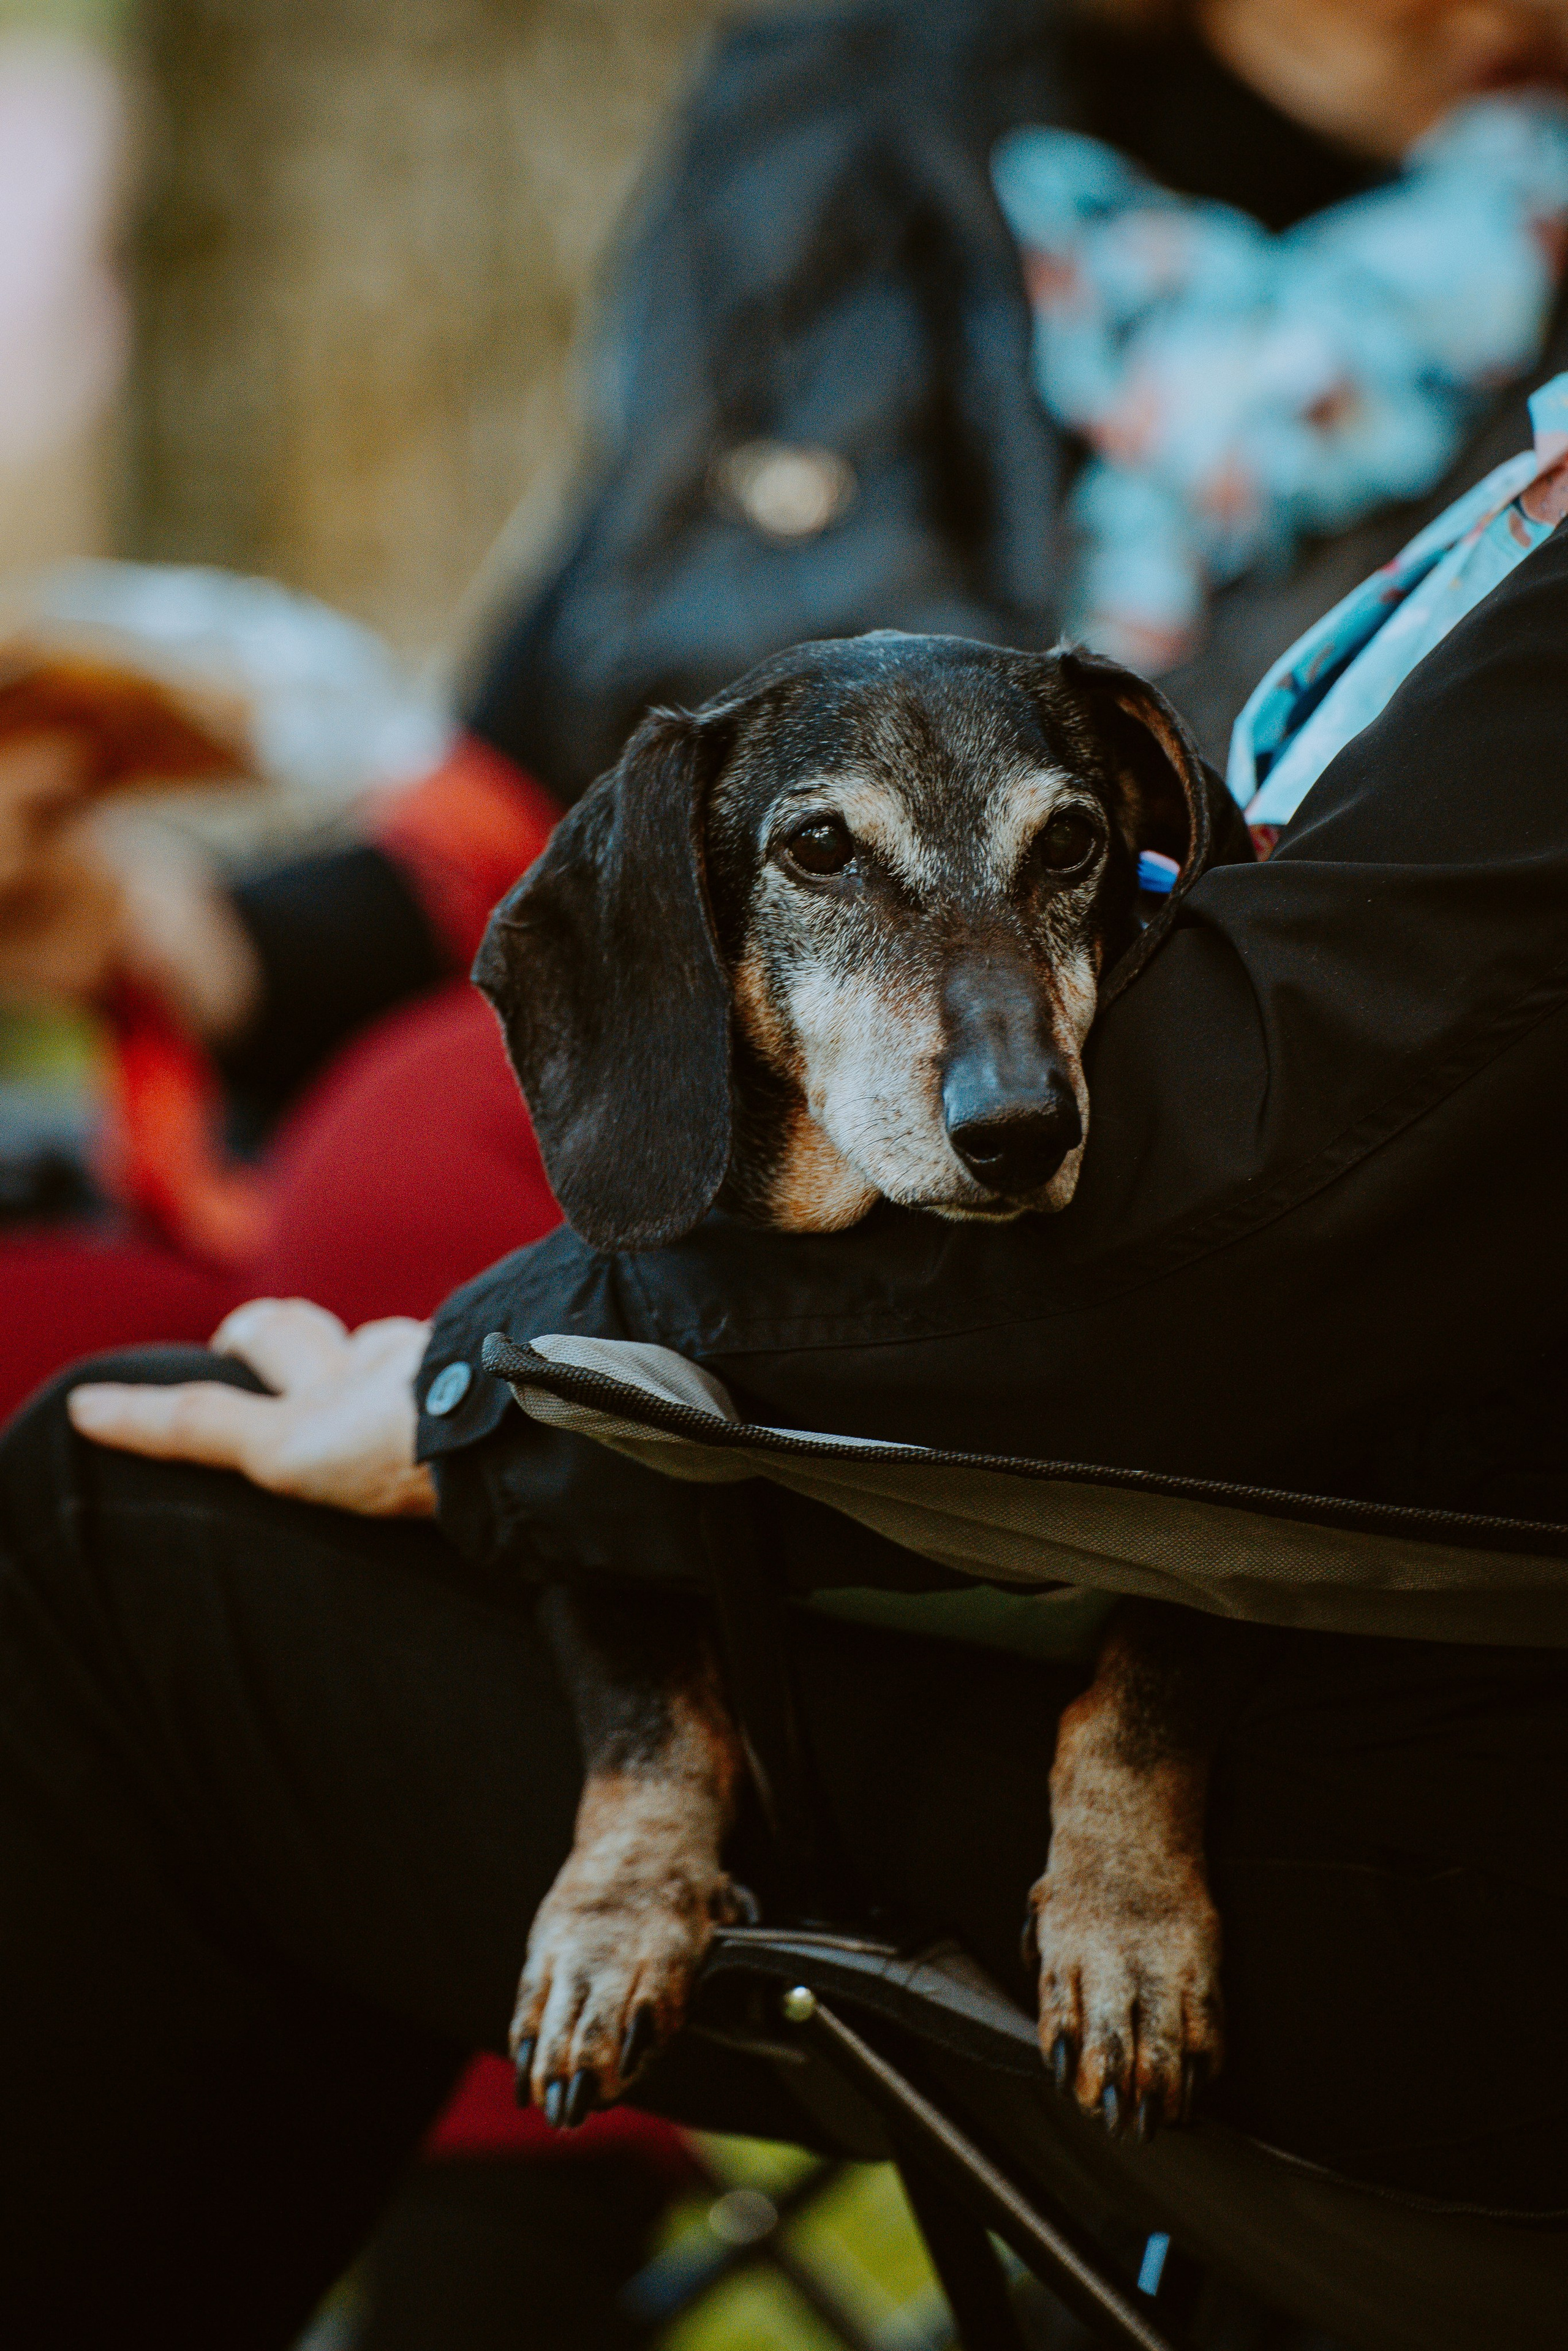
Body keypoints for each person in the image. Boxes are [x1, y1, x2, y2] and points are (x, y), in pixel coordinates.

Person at [6, 504, 1568, 2348]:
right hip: (996, 1593)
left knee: (104, 1524)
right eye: (836, 865)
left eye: (1064, 867)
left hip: (1415, 1829)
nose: (1006, 1065)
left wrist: (511, 1387)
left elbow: (1280, 1279)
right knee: (127, 1434)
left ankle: (494, 2270)